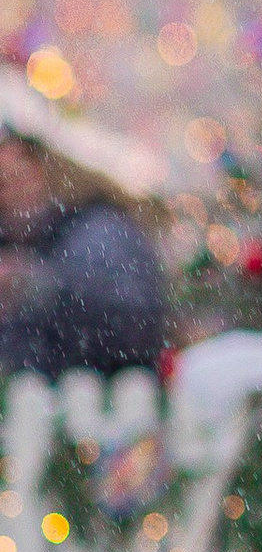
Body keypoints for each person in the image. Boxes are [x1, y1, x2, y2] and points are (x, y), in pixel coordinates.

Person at [0, 88, 167, 377]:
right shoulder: (20, 243)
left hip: (103, 395)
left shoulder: (99, 232)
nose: (12, 191)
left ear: (41, 170)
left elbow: (131, 325)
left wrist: (39, 288)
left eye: (17, 176)